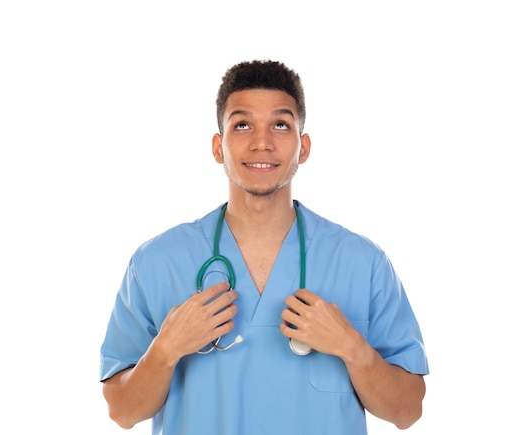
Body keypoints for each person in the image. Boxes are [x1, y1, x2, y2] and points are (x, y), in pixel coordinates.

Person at [100, 59, 429, 435]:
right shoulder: (157, 262)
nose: (262, 142)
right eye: (242, 125)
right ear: (217, 146)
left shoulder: (362, 263)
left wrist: (352, 348)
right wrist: (165, 351)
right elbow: (122, 413)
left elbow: (408, 411)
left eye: (280, 124)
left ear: (303, 147)